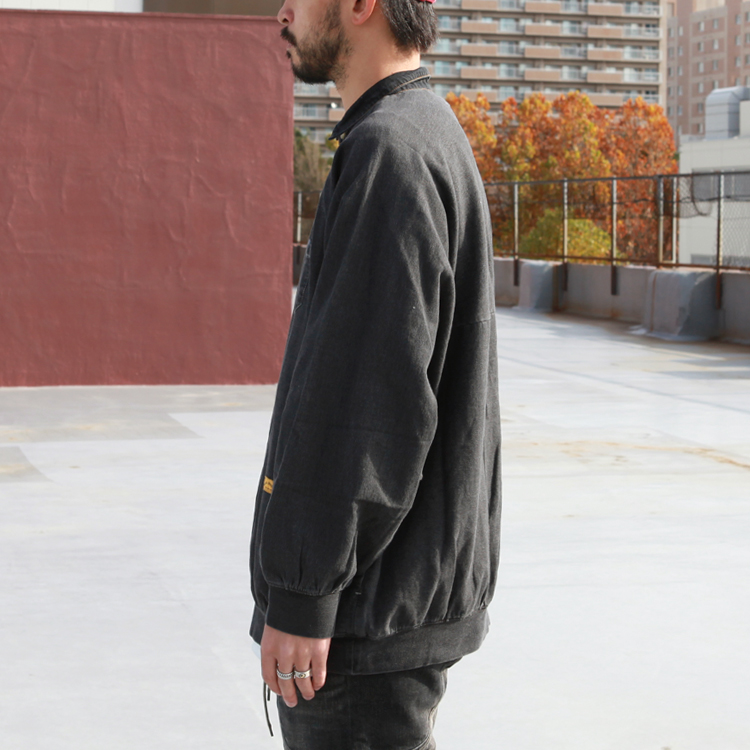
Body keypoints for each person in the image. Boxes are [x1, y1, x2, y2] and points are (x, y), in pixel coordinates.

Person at [248, 0, 502, 743]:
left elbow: (364, 404)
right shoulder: (420, 130)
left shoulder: (391, 152)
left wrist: (305, 593)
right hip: (385, 604)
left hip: (361, 624)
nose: (283, 11)